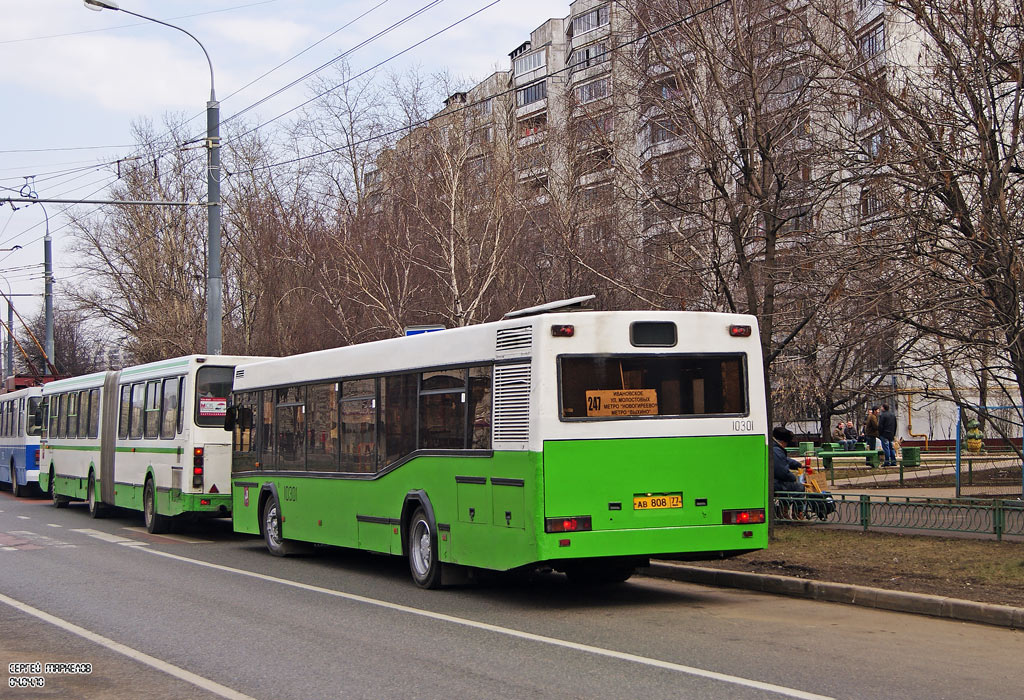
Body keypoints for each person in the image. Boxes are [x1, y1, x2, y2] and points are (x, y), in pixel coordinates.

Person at [772, 426, 805, 518]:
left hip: (772, 481)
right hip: (774, 483)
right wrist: (793, 478)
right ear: (783, 442)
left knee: (786, 486)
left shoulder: (773, 447)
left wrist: (798, 465)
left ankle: (783, 512)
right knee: (799, 487)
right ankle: (797, 514)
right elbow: (782, 472)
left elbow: (784, 460)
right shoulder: (776, 450)